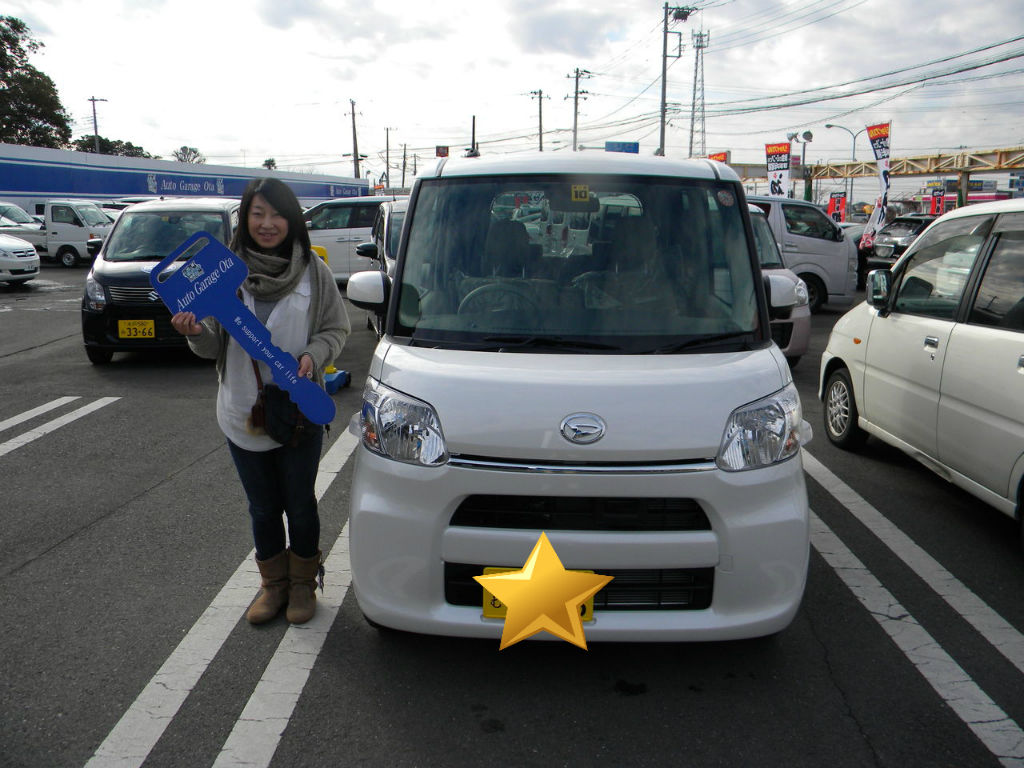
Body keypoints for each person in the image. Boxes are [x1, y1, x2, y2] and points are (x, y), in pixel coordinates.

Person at [170, 178, 350, 625]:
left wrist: (313, 355)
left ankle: (304, 584)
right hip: (241, 411)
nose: (267, 224)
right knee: (264, 507)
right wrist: (195, 333)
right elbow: (215, 347)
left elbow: (336, 329)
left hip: (299, 407)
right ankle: (273, 586)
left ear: (291, 220)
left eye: (277, 214)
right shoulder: (218, 272)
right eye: (258, 213)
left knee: (300, 502)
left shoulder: (313, 271)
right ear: (244, 217)